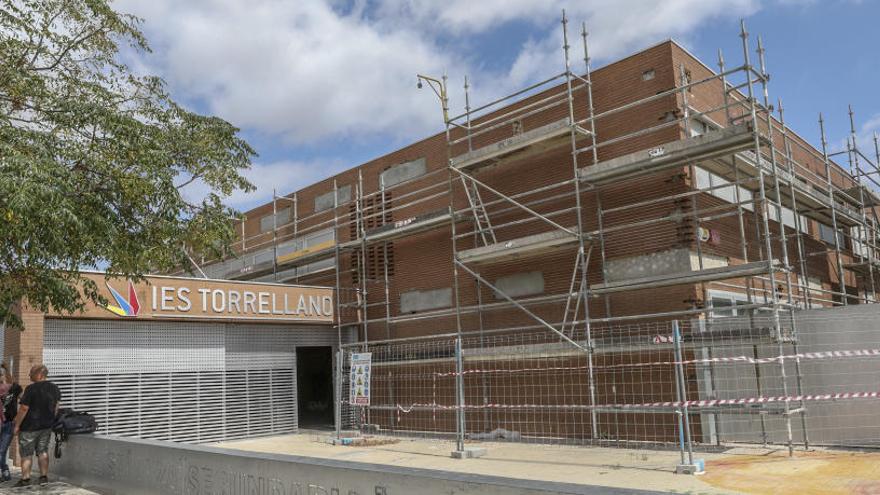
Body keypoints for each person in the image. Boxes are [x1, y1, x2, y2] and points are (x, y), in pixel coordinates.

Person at [13, 365, 60, 487]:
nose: (29, 376)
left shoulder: (31, 389)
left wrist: (17, 425)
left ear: (39, 374)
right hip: (46, 426)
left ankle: (25, 479)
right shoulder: (55, 388)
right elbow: (56, 407)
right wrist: (50, 420)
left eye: (31, 373)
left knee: (26, 453)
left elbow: (24, 408)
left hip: (29, 427)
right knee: (43, 451)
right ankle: (43, 477)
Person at [0, 364, 22, 482]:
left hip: (9, 424)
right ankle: (6, 473)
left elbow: (24, 403)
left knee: (2, 450)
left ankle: (5, 472)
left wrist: (17, 419)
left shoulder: (15, 388)